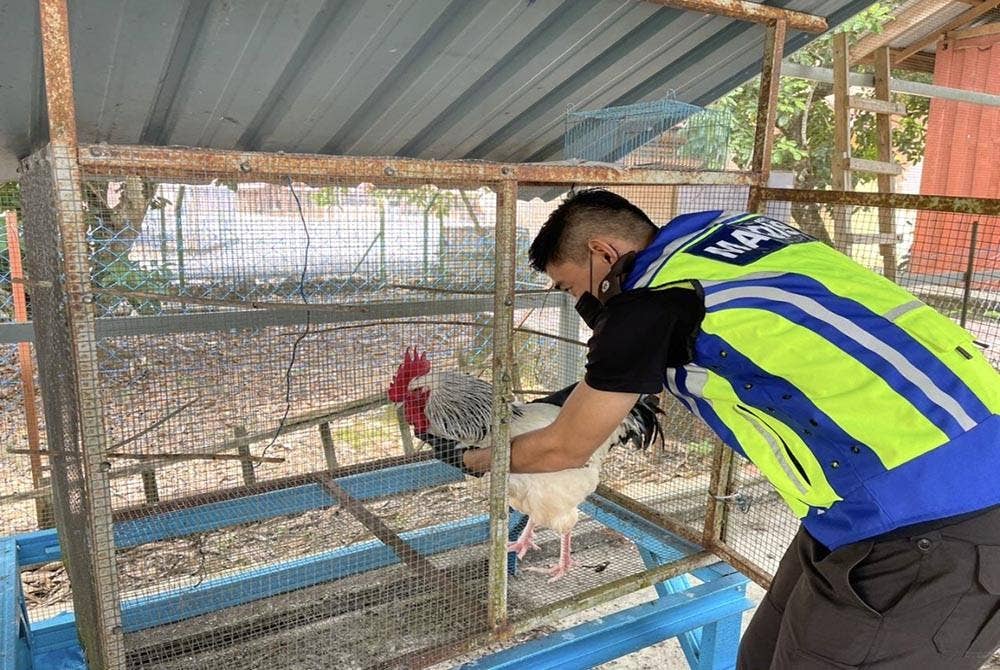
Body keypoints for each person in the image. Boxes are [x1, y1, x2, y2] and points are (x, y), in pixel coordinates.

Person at [456, 189, 1000, 669]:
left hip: (937, 514)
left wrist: (472, 460)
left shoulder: (648, 303)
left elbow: (564, 448)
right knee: (759, 657)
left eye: (571, 285)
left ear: (603, 253)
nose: (581, 302)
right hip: (873, 495)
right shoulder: (737, 234)